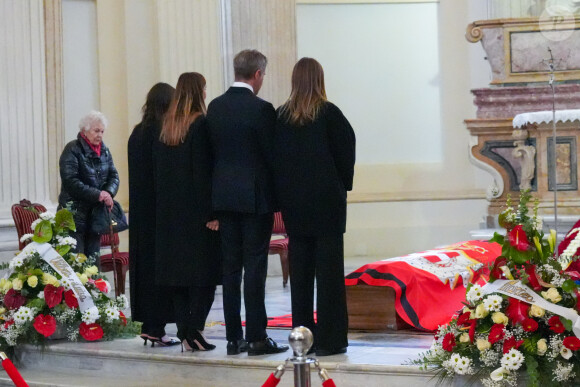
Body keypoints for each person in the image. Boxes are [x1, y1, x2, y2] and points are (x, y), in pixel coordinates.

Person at [206, 49, 288, 356]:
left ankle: (232, 338)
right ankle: (256, 337)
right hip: (255, 201)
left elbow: (210, 157)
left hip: (224, 200)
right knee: (254, 268)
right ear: (257, 74)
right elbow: (273, 157)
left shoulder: (215, 107)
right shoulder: (262, 109)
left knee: (230, 271)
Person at [274, 57, 356, 356]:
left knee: (301, 276)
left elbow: (276, 162)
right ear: (319, 80)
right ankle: (332, 340)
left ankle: (302, 337)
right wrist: (342, 186)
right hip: (327, 206)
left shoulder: (281, 117)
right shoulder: (329, 113)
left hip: (295, 207)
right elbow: (346, 153)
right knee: (330, 276)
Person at [154, 72, 221, 351]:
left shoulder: (166, 127)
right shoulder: (199, 124)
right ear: (198, 92)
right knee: (205, 276)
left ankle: (185, 332)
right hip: (195, 215)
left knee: (178, 278)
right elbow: (202, 173)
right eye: (204, 89)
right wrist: (211, 213)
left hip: (169, 215)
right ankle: (194, 330)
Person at [128, 82, 179, 347]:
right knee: (161, 271)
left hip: (140, 214)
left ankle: (149, 325)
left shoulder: (137, 133)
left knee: (144, 270)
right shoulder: (163, 133)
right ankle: (157, 326)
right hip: (160, 214)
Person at [58, 110, 120, 268]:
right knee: (76, 263)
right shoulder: (72, 149)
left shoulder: (104, 151)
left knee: (93, 264)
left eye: (102, 131)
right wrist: (98, 194)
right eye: (96, 130)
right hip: (74, 215)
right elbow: (70, 180)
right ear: (84, 130)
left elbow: (114, 176)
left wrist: (108, 193)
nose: (100, 135)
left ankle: (95, 292)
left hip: (95, 215)